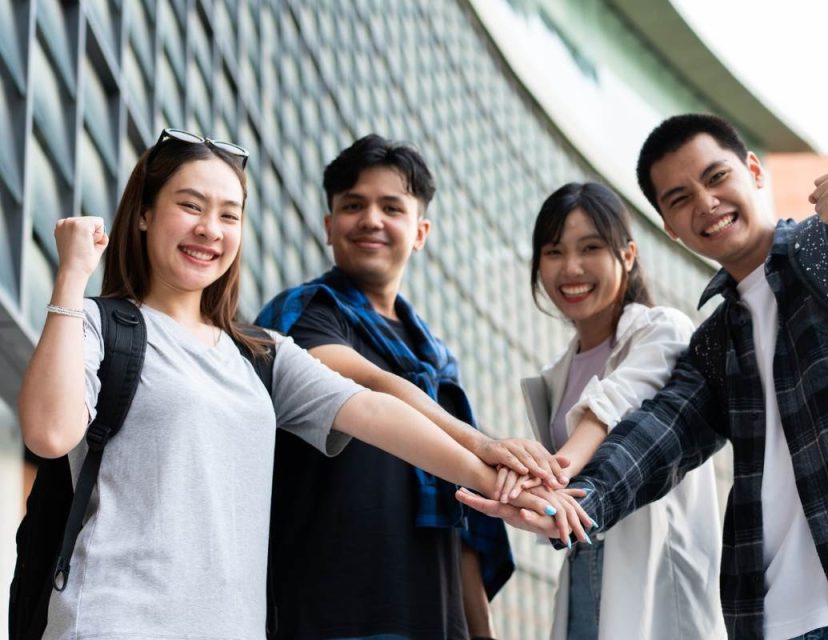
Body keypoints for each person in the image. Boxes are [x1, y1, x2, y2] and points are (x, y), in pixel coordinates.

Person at [18, 129, 576, 639]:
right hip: (113, 623)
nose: (209, 229)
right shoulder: (99, 324)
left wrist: (495, 478)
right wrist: (71, 277)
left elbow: (376, 410)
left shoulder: (259, 353)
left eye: (229, 215)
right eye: (190, 206)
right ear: (143, 214)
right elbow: (48, 433)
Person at [458, 114, 828, 639]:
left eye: (716, 177)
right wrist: (575, 501)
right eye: (680, 199)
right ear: (669, 227)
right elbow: (656, 437)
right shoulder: (715, 342)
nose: (706, 203)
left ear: (754, 171)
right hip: (784, 618)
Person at [257, 134, 577, 640]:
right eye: (353, 206)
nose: (371, 220)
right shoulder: (304, 315)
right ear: (328, 225)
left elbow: (465, 516)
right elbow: (371, 385)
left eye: (391, 207)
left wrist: (480, 631)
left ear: (420, 230)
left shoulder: (437, 362)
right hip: (327, 612)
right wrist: (484, 445)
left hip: (433, 616)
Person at [494, 182, 724, 639]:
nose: (571, 268)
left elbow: (614, 405)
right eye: (554, 251)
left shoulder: (663, 330)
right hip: (584, 568)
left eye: (591, 248)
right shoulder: (554, 375)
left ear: (628, 253)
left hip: (659, 576)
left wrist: (549, 470)